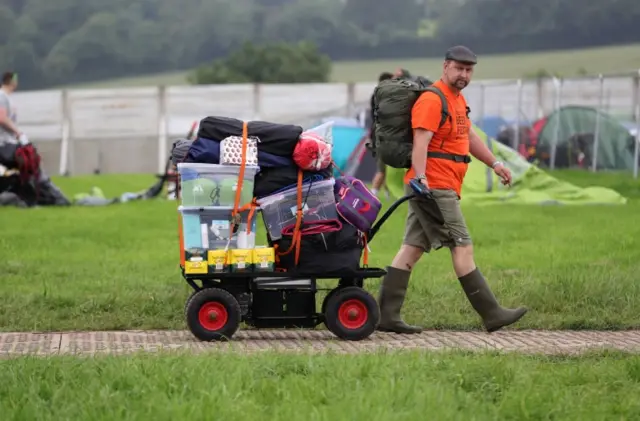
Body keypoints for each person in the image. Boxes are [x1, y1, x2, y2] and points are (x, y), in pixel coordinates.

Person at [376, 46, 528, 334]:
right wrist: (421, 179)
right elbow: (421, 141)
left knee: (412, 248)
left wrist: (495, 163)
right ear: (445, 66)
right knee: (462, 245)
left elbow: (467, 136)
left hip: (441, 183)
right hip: (434, 185)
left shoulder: (456, 100)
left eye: (469, 70)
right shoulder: (433, 100)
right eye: (459, 68)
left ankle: (386, 315)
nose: (464, 75)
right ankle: (492, 313)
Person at [369, 71, 394, 197]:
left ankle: (388, 193)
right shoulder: (381, 97)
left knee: (387, 166)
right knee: (382, 167)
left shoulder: (376, 95)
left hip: (377, 134)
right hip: (382, 136)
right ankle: (373, 193)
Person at [0, 71, 21, 147]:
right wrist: (17, 131)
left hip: (10, 140)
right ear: (12, 82)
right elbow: (2, 118)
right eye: (16, 80)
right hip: (3, 142)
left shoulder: (8, 97)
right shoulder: (2, 96)